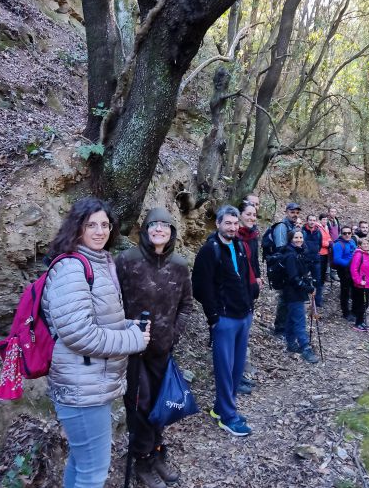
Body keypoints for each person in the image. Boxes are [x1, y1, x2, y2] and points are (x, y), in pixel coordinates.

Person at [42, 197, 150, 488]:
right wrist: (132, 339)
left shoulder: (99, 263)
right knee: (94, 473)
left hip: (89, 383)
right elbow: (78, 333)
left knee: (81, 463)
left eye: (105, 224)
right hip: (81, 388)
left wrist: (128, 326)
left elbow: (97, 322)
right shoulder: (71, 269)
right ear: (77, 228)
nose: (100, 231)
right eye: (92, 225)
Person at [115, 208, 192, 488]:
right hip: (133, 350)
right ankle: (142, 460)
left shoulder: (179, 265)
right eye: (154, 225)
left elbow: (186, 305)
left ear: (172, 232)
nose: (159, 229)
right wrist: (124, 331)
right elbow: (113, 302)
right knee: (141, 405)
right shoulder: (126, 260)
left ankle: (158, 452)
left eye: (165, 226)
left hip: (163, 348)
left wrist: (173, 335)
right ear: (145, 229)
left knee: (161, 404)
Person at [192, 205, 254, 436]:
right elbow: (199, 287)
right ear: (218, 224)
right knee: (224, 370)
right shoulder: (210, 250)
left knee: (237, 368)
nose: (232, 227)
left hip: (243, 316)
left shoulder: (239, 245)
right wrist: (213, 315)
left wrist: (250, 306)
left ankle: (221, 408)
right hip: (224, 319)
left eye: (235, 223)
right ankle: (228, 417)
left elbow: (245, 279)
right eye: (227, 223)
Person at [236, 201, 262, 395]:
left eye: (255, 214)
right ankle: (232, 377)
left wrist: (258, 277)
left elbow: (254, 260)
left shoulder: (252, 236)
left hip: (249, 290)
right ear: (239, 215)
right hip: (236, 292)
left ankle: (239, 373)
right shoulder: (233, 237)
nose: (252, 217)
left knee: (243, 335)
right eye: (249, 214)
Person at [282, 230, 319, 363]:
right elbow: (293, 278)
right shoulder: (291, 255)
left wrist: (309, 283)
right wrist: (308, 288)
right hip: (292, 292)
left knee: (292, 318)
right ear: (291, 239)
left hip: (295, 291)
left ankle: (291, 342)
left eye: (300, 237)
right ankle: (305, 348)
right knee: (299, 320)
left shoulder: (299, 252)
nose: (299, 240)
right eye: (296, 237)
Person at [272, 203, 300, 338]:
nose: (295, 214)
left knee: (290, 297)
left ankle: (286, 325)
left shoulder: (292, 226)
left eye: (297, 212)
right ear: (286, 212)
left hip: (291, 266)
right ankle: (279, 328)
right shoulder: (282, 227)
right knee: (284, 298)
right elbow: (281, 249)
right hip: (284, 269)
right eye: (292, 212)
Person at [350, 238, 369, 332]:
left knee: (365, 304)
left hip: (367, 284)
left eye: (367, 243)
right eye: (363, 244)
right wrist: (359, 281)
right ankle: (358, 323)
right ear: (359, 245)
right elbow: (354, 270)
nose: (366, 245)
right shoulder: (358, 255)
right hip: (361, 285)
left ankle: (361, 321)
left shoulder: (367, 255)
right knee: (362, 304)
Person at [331, 225, 357, 320]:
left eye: (349, 233)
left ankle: (354, 310)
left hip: (354, 270)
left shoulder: (352, 242)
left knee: (354, 290)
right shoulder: (338, 245)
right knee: (345, 291)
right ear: (341, 234)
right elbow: (337, 259)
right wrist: (348, 263)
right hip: (344, 270)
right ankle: (345, 312)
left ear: (351, 233)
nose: (347, 235)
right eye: (344, 233)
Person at [302, 214, 324, 307]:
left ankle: (318, 301)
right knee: (304, 279)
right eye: (310, 220)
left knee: (318, 281)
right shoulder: (302, 231)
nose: (312, 222)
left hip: (315, 260)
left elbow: (320, 244)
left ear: (316, 222)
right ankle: (305, 298)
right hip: (305, 260)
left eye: (314, 220)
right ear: (307, 220)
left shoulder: (318, 232)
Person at [318, 214, 333, 285]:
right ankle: (319, 285)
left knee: (324, 269)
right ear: (320, 220)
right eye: (323, 219)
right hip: (320, 252)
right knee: (320, 270)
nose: (325, 221)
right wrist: (328, 244)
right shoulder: (318, 228)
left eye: (326, 220)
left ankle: (322, 284)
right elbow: (319, 241)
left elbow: (328, 237)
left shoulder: (326, 228)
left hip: (326, 252)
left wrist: (330, 242)